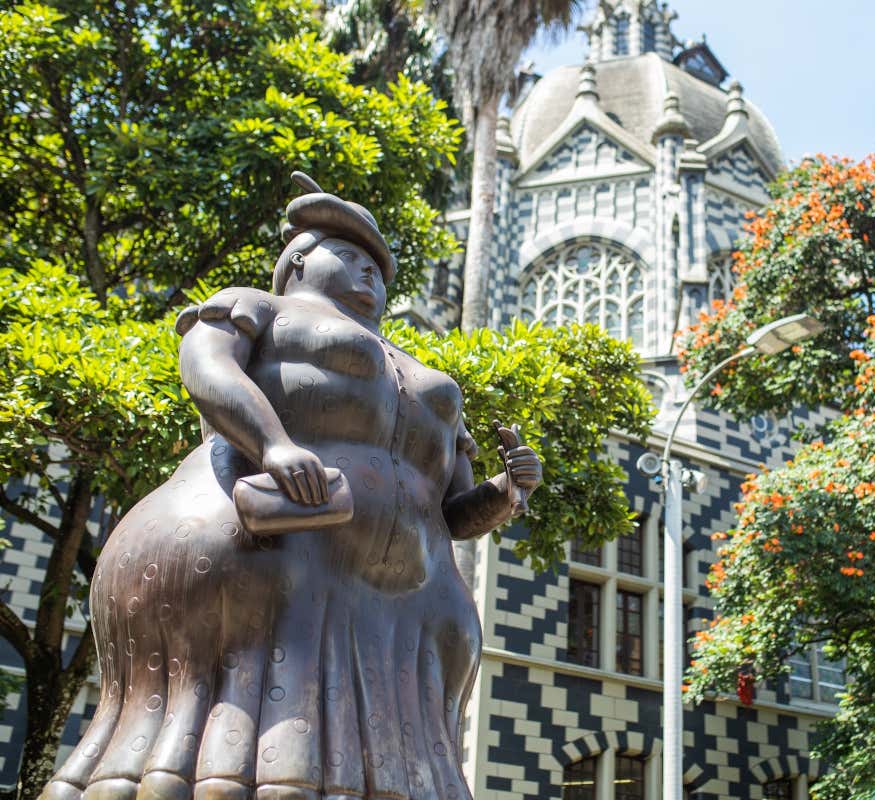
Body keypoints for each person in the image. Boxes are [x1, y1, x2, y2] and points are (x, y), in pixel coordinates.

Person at [41, 173, 541, 800]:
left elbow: (451, 513)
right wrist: (274, 444)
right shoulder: (261, 306)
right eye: (351, 257)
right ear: (298, 261)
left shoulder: (421, 375)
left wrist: (504, 489)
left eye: (377, 268)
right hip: (269, 546)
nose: (369, 274)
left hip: (400, 605)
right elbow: (206, 364)